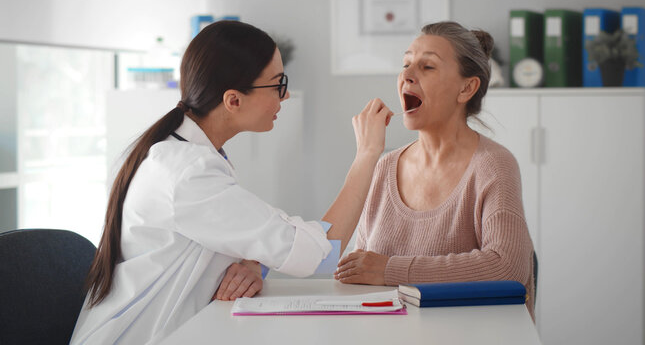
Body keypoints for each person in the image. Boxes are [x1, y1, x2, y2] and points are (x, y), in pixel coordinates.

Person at [70, 21, 393, 344]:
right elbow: (318, 255)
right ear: (233, 100)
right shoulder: (190, 174)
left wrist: (253, 264)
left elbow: (231, 240)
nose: (287, 94)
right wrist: (367, 154)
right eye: (278, 84)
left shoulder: (186, 155)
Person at [334, 21, 536, 318]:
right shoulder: (384, 166)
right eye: (405, 64)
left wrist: (391, 270)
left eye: (427, 67)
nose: (407, 75)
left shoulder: (493, 165)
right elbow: (360, 272)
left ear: (467, 88)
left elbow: (508, 267)